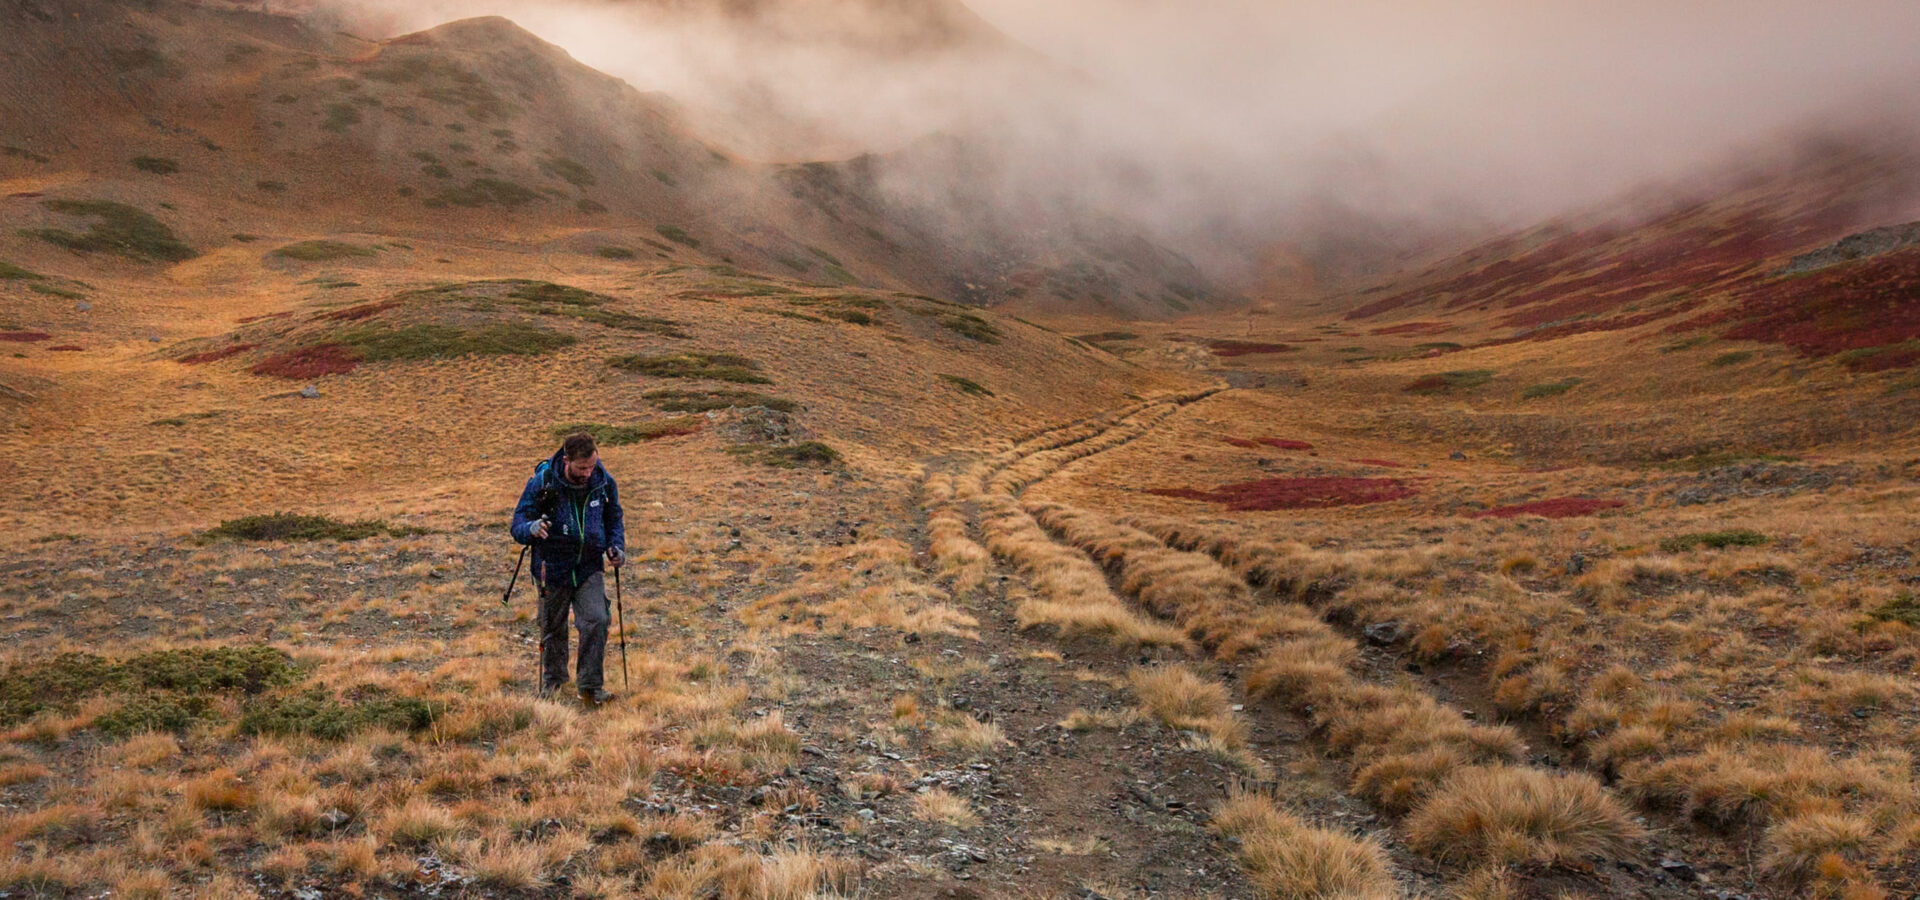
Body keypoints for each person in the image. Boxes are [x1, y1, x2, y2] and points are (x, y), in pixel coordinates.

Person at [510, 432, 626, 704]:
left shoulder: (604, 483)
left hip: (589, 566)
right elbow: (518, 523)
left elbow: (614, 519)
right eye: (581, 468)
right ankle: (554, 681)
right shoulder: (543, 483)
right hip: (551, 568)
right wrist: (532, 528)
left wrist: (616, 546)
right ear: (566, 461)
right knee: (552, 627)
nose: (587, 473)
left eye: (591, 466)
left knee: (597, 620)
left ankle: (591, 686)